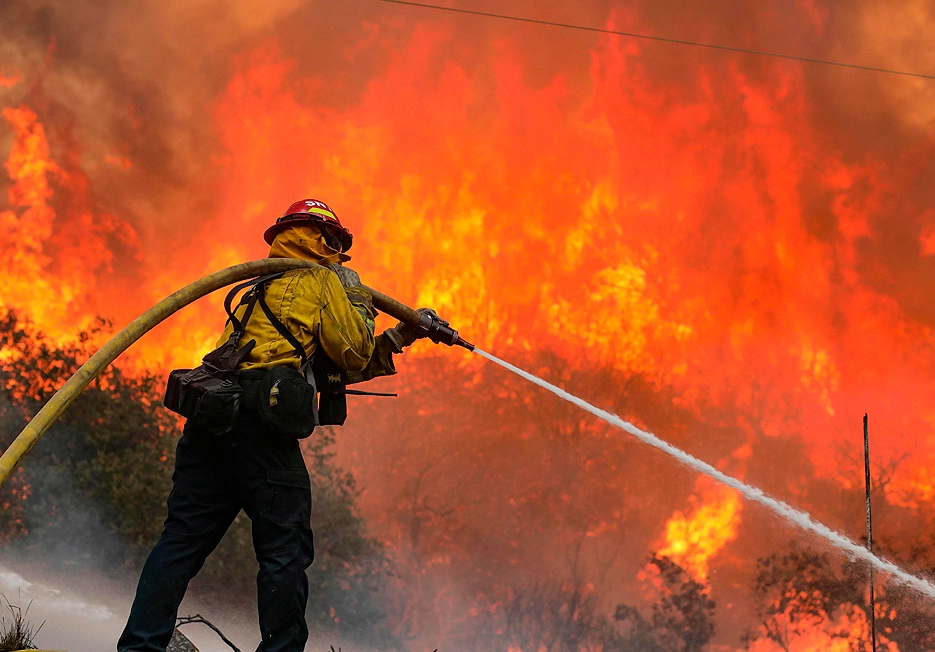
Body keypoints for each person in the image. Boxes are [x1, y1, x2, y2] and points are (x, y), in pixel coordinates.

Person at [118, 199, 429, 652]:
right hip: (260, 425)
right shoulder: (321, 281)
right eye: (338, 245)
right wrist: (356, 296)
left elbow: (325, 368)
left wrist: (403, 337)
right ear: (325, 240)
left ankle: (140, 647)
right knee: (285, 552)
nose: (341, 256)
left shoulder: (260, 288)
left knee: (180, 542)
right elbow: (355, 351)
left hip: (214, 416)